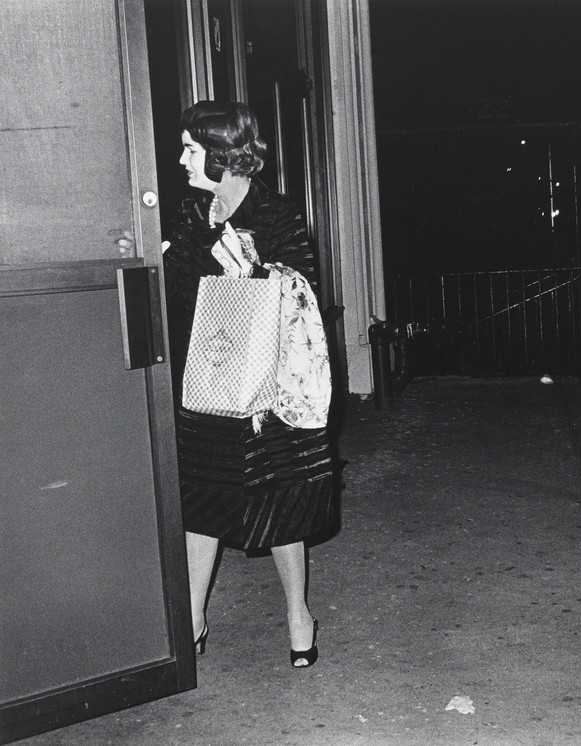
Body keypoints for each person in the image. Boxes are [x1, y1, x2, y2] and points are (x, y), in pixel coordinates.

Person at [162, 100, 337, 667]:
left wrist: (254, 268)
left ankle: (297, 614)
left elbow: (303, 286)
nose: (182, 159)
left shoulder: (276, 212)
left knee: (281, 500)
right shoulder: (192, 212)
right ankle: (192, 619)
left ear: (222, 155)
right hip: (211, 379)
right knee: (201, 497)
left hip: (268, 386)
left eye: (191, 149)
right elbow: (182, 297)